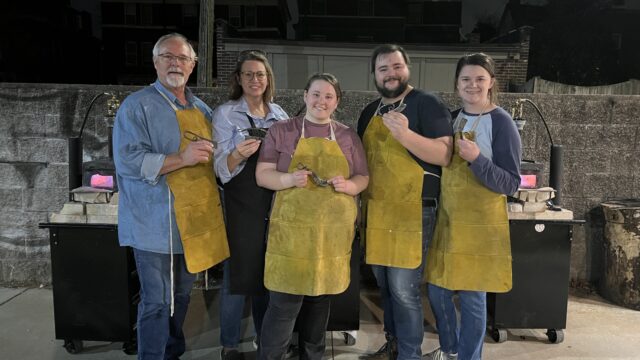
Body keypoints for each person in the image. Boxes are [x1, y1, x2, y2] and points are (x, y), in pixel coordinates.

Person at [113, 33, 229, 359]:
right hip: (154, 224)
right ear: (155, 62)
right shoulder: (137, 106)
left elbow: (217, 163)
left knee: (182, 294)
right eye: (168, 56)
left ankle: (173, 351)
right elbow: (128, 161)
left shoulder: (203, 109)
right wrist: (183, 158)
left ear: (192, 66)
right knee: (157, 300)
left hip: (192, 224)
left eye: (182, 58)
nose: (175, 63)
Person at [256, 73, 369, 360]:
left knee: (320, 303)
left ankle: (313, 355)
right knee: (283, 305)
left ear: (337, 102)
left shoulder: (347, 136)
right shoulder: (282, 130)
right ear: (305, 96)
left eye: (329, 96)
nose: (322, 101)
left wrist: (350, 185)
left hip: (330, 237)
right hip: (291, 237)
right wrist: (289, 179)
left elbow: (363, 177)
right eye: (316, 94)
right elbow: (262, 175)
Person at [357, 44, 453, 360]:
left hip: (413, 211)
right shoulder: (369, 112)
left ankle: (410, 354)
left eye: (396, 66)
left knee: (404, 291)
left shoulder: (426, 103)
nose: (391, 73)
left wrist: (405, 136)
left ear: (407, 68)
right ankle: (394, 344)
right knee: (384, 289)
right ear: (374, 74)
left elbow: (444, 154)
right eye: (383, 68)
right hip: (377, 212)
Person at [424, 53, 522, 360]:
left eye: (480, 78)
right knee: (437, 289)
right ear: (457, 83)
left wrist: (477, 159)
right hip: (450, 220)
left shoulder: (501, 122)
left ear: (491, 82)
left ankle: (469, 357)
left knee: (472, 297)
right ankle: (452, 349)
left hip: (481, 225)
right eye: (466, 79)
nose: (473, 85)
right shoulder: (451, 118)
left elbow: (511, 183)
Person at [212, 50, 289, 360]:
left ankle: (264, 340)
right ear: (239, 79)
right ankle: (229, 344)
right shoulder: (226, 113)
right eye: (248, 74)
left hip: (275, 200)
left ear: (268, 78)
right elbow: (220, 168)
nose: (255, 79)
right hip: (242, 200)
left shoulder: (281, 115)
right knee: (238, 274)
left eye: (260, 74)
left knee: (269, 272)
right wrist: (239, 154)